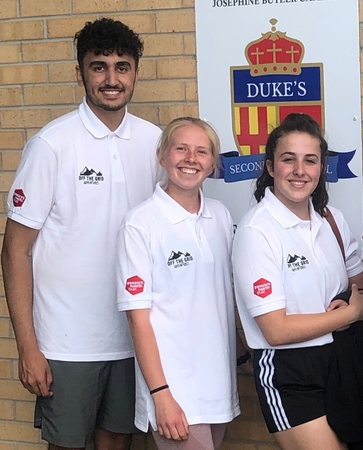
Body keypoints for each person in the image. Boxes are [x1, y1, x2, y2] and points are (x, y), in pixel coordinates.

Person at [0, 18, 161, 450]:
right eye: (99, 67)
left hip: (132, 338)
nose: (111, 79)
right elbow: (15, 249)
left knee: (118, 443)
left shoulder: (155, 143)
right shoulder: (51, 145)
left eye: (122, 67)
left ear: (136, 73)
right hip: (66, 342)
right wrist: (28, 347)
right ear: (80, 73)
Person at [232, 113, 363, 450]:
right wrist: (348, 314)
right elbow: (276, 330)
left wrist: (358, 304)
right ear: (270, 167)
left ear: (321, 167)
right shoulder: (257, 231)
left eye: (310, 160)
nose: (300, 170)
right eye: (288, 159)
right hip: (288, 370)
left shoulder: (332, 220)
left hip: (342, 360)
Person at [116, 118, 240, 449]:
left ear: (212, 163)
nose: (190, 159)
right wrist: (161, 395)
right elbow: (136, 317)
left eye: (202, 151)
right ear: (162, 155)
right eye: (181, 148)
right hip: (175, 393)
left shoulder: (221, 216)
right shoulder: (140, 224)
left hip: (217, 387)